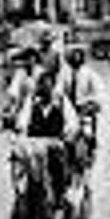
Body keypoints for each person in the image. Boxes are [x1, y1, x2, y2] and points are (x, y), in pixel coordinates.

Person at [16, 69, 79, 204]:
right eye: (42, 85)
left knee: (57, 160)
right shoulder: (31, 101)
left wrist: (68, 131)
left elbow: (72, 120)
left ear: (53, 87)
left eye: (48, 85)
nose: (45, 88)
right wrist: (21, 130)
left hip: (54, 141)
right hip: (34, 143)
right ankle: (26, 190)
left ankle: (61, 193)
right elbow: (23, 119)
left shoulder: (61, 101)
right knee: (24, 160)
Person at [62, 43, 102, 169]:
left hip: (84, 107)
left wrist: (93, 102)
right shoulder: (64, 73)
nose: (76, 58)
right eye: (73, 56)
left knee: (88, 134)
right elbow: (59, 89)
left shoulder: (89, 73)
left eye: (78, 55)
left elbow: (98, 90)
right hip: (68, 108)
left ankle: (89, 153)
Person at [1, 45, 41, 132]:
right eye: (28, 58)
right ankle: (11, 116)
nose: (30, 61)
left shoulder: (40, 71)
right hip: (22, 96)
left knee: (28, 101)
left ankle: (21, 124)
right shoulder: (21, 72)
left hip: (37, 97)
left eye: (32, 58)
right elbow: (15, 85)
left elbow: (41, 87)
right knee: (17, 99)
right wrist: (13, 96)